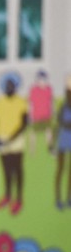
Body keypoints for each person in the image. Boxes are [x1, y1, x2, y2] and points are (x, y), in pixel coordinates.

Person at [0, 70, 28, 215]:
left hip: (16, 140)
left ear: (16, 86)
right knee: (6, 170)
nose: (9, 87)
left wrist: (12, 138)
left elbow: (24, 123)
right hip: (1, 139)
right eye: (7, 85)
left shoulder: (21, 102)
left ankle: (18, 199)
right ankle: (7, 196)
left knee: (17, 170)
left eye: (12, 85)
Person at [52, 76, 71, 210]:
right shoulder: (62, 107)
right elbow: (58, 125)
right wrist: (53, 144)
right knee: (60, 169)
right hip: (62, 141)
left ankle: (69, 198)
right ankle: (58, 199)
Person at [28, 70, 53, 152]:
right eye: (40, 80)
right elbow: (30, 103)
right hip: (36, 116)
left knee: (48, 132)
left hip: (46, 115)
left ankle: (50, 148)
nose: (42, 82)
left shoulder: (49, 89)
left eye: (44, 80)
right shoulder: (33, 90)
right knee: (33, 133)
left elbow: (51, 102)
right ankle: (32, 149)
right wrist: (30, 115)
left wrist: (52, 111)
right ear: (37, 81)